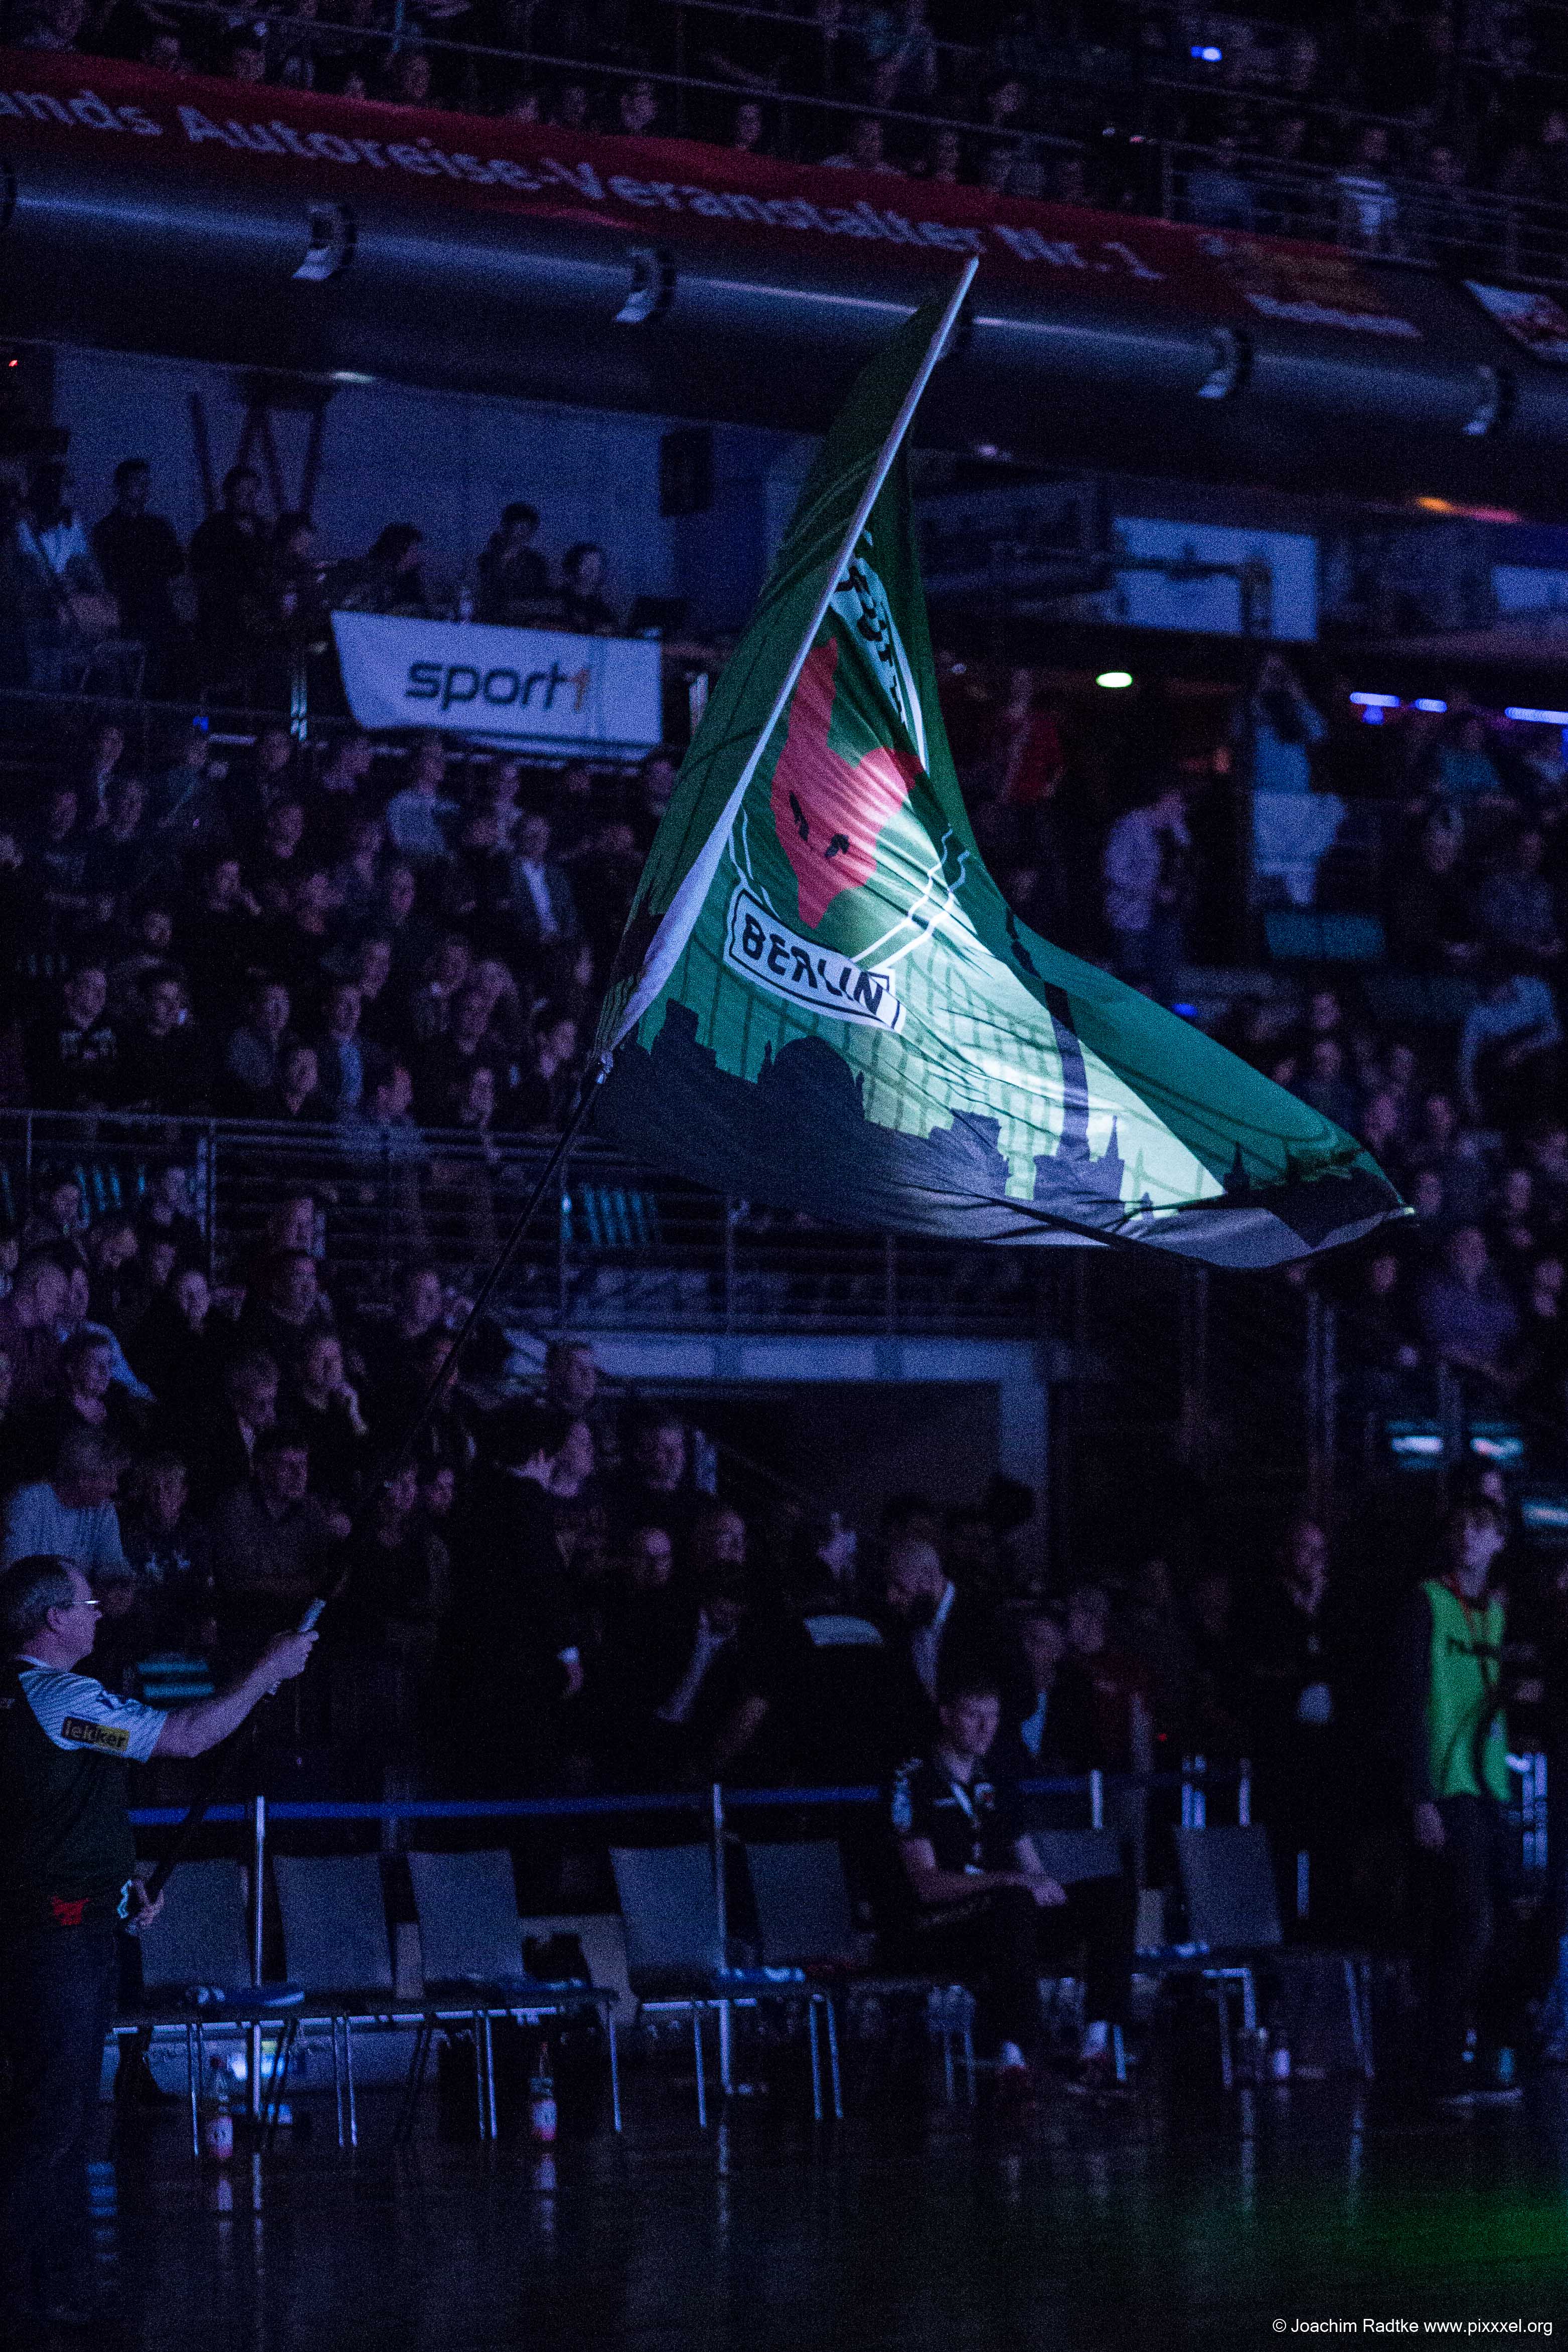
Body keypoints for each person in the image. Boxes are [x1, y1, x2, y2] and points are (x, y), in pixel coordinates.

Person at [0, 1552, 315, 2330]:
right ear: (52, 1619)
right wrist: (266, 1670)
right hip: (59, 1939)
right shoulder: (60, 1698)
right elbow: (185, 1737)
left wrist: (121, 1881)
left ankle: (56, 2291)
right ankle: (29, 2298)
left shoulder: (21, 1700)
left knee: (53, 2116)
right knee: (54, 2124)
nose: (98, 1612)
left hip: (54, 1925)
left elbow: (51, 1818)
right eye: (86, 1603)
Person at [889, 1665, 1135, 2094]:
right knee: (1014, 1900)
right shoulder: (914, 1779)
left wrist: (1042, 1884)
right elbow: (927, 1884)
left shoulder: (996, 1777)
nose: (985, 1728)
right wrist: (1009, 1881)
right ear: (947, 1715)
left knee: (1110, 1893)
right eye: (973, 1715)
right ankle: (1013, 2058)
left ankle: (1096, 2042)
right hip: (943, 1926)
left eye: (993, 1716)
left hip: (1007, 1918)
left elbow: (1030, 1863)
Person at [1391, 1499, 1533, 2106]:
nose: (1468, 1538)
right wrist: (1418, 1796)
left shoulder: (1494, 1615)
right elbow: (1407, 1703)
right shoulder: (1428, 1602)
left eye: (1481, 1529)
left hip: (1490, 1784)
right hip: (1449, 1783)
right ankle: (1441, 2062)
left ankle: (1485, 2054)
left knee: (1500, 1924)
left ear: (1500, 1541)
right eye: (1462, 1528)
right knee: (1472, 1921)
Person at [1102, 784, 1191, 1001]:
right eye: (1177, 801)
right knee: (1135, 973)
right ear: (1164, 798)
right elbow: (1114, 870)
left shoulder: (1176, 830)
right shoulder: (1131, 826)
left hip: (1166, 913)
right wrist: (1149, 890)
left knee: (1165, 973)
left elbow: (1185, 861)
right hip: (1132, 912)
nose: (1182, 807)